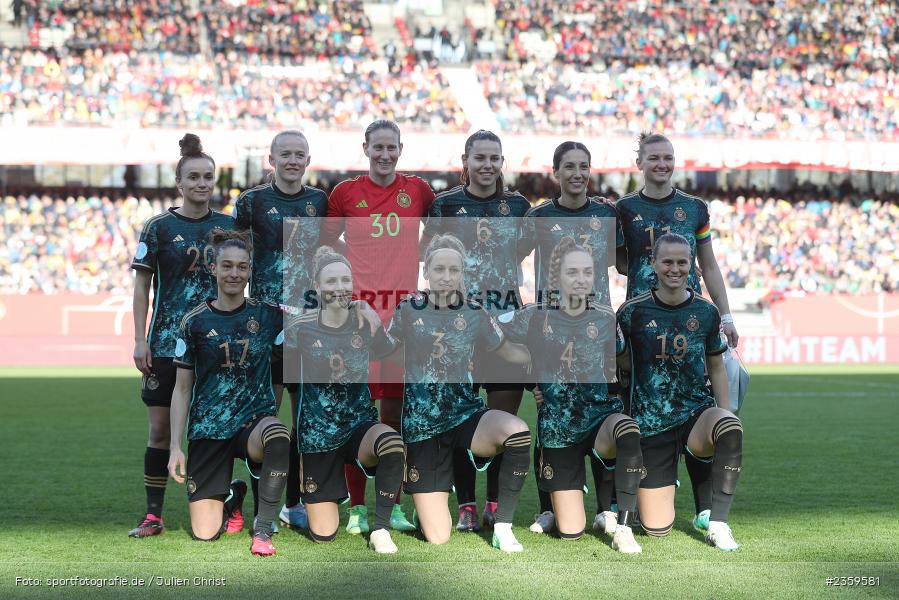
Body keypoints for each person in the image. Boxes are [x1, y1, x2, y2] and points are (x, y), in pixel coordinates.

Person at [616, 132, 740, 533]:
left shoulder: (694, 208)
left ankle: (706, 506)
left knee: (698, 399)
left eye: (668, 157)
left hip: (690, 316)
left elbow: (710, 262)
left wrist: (725, 314)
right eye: (653, 157)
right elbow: (619, 262)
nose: (662, 164)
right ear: (640, 163)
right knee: (636, 404)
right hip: (640, 322)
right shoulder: (623, 209)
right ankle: (628, 498)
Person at [322, 119, 435, 534]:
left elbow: (439, 236)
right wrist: (349, 294)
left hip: (403, 325)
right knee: (356, 414)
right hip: (356, 322)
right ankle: (355, 508)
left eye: (391, 148)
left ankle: (394, 505)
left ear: (400, 149)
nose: (384, 154)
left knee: (394, 417)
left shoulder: (419, 191)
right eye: (378, 147)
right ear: (365, 147)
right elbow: (324, 247)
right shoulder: (345, 193)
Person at [387, 234, 532, 552]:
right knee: (438, 536)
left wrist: (543, 354)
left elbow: (509, 352)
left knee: (517, 432)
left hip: (465, 416)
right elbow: (388, 350)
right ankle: (428, 499)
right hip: (422, 428)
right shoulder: (408, 308)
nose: (446, 276)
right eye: (439, 269)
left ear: (462, 273)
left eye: (454, 269)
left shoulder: (475, 311)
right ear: (427, 271)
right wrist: (364, 323)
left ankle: (503, 526)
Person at [500, 237, 643, 553]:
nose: (581, 280)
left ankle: (623, 526)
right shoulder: (535, 315)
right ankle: (556, 509)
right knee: (570, 531)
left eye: (587, 272)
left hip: (599, 420)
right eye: (572, 273)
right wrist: (532, 381)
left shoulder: (606, 317)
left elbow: (622, 359)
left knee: (628, 429)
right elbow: (495, 339)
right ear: (557, 277)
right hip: (559, 430)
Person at [420, 129, 531, 531]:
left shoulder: (518, 205)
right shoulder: (446, 204)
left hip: (505, 323)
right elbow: (428, 255)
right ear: (465, 161)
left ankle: (494, 504)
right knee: (457, 417)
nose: (487, 165)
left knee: (502, 419)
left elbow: (521, 251)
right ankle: (465, 502)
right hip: (456, 327)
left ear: (502, 162)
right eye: (479, 157)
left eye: (494, 158)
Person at [129, 133, 234, 538]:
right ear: (180, 182)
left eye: (208, 176)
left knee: (213, 429)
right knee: (159, 430)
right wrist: (140, 339)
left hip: (214, 344)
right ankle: (153, 515)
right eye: (194, 177)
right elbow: (141, 287)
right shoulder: (157, 227)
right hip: (164, 345)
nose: (201, 183)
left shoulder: (228, 226)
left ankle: (227, 497)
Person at [517, 141, 624, 535]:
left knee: (603, 410)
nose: (578, 173)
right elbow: (513, 257)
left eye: (584, 166)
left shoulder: (606, 213)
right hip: (551, 330)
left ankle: (607, 507)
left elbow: (623, 260)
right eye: (570, 167)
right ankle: (548, 507)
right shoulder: (539, 215)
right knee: (551, 414)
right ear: (556, 172)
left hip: (596, 327)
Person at [168, 229, 291, 556]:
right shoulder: (193, 321)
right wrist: (174, 447)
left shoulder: (269, 315)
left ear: (250, 270)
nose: (234, 273)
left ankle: (263, 530)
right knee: (205, 534)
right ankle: (233, 496)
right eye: (227, 266)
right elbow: (182, 390)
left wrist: (270, 415)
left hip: (252, 424)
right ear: (214, 268)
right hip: (208, 429)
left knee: (278, 436)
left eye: (241, 266)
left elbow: (281, 366)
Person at [234, 130, 327, 530]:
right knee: (266, 422)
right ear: (271, 159)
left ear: (308, 160)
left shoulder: (319, 202)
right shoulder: (251, 202)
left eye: (299, 154)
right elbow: (232, 259)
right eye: (285, 154)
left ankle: (296, 502)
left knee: (307, 420)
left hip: (310, 327)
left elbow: (327, 256)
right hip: (266, 327)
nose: (293, 160)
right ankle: (263, 508)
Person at [288, 247, 405, 553]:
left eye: (345, 280)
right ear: (316, 285)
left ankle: (380, 529)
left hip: (358, 426)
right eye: (331, 281)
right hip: (317, 438)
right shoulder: (298, 328)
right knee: (324, 534)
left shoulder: (364, 322)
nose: (338, 287)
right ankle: (296, 504)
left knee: (391, 442)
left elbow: (398, 354)